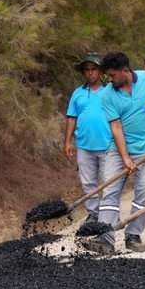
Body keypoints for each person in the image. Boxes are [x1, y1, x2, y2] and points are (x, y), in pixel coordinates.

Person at [82, 51, 145, 255]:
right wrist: (125, 158)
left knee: (143, 193)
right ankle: (105, 238)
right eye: (107, 76)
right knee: (109, 192)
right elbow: (116, 127)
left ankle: (133, 235)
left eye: (112, 75)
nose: (109, 79)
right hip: (117, 151)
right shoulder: (108, 94)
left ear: (125, 71)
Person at [64, 53, 112, 223]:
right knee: (88, 182)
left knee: (109, 182)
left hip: (108, 144)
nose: (90, 73)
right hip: (84, 145)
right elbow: (71, 117)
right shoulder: (78, 93)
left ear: (100, 71)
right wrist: (67, 142)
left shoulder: (110, 91)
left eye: (94, 69)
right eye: (87, 70)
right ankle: (93, 214)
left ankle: (109, 214)